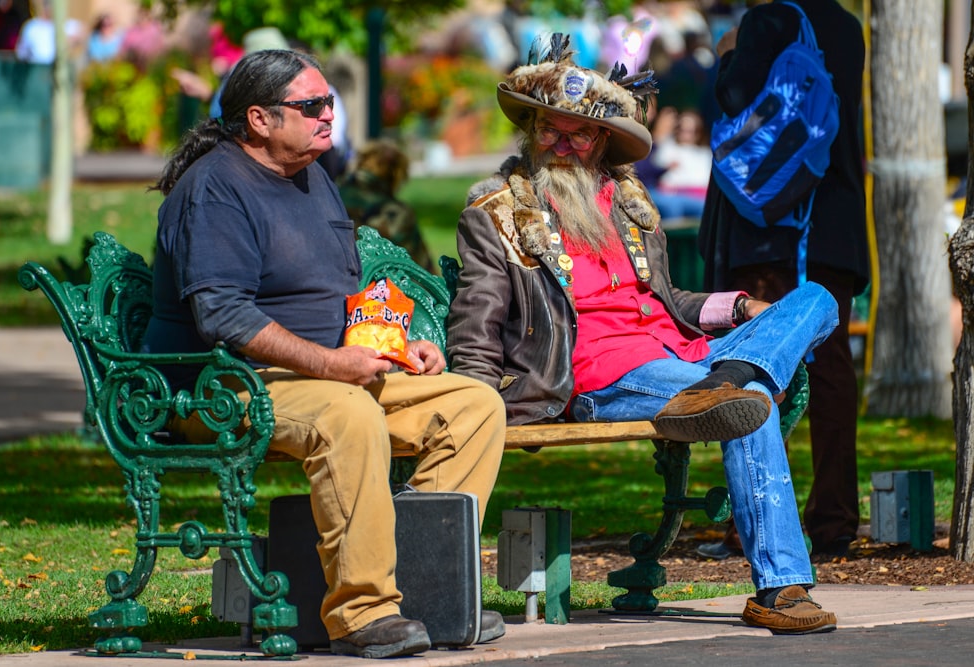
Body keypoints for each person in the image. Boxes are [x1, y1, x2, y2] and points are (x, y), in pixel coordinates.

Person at [446, 33, 840, 635]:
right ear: (531, 129)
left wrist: (738, 310)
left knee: (816, 299)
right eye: (550, 129)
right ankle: (781, 589)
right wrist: (472, 402)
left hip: (686, 354)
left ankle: (733, 375)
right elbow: (477, 320)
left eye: (579, 133)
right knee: (752, 405)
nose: (563, 145)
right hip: (600, 371)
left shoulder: (628, 204)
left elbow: (668, 301)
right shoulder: (496, 212)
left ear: (602, 139)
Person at [142, 49, 507, 659]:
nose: (327, 116)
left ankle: (428, 591)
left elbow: (340, 296)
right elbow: (223, 317)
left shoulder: (312, 178)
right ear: (259, 119)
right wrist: (332, 365)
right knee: (348, 415)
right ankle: (361, 613)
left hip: (320, 373)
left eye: (329, 103)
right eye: (310, 106)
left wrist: (392, 342)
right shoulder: (215, 190)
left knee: (474, 405)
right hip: (222, 385)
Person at [697, 0, 868, 560]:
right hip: (832, 221)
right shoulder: (845, 26)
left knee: (761, 366)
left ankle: (754, 523)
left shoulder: (767, 21)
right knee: (832, 367)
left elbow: (731, 101)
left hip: (774, 226)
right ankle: (834, 517)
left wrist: (725, 57)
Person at [338, 139, 434, 272]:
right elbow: (422, 272)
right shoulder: (397, 212)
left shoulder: (332, 194)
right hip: (376, 286)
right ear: (397, 174)